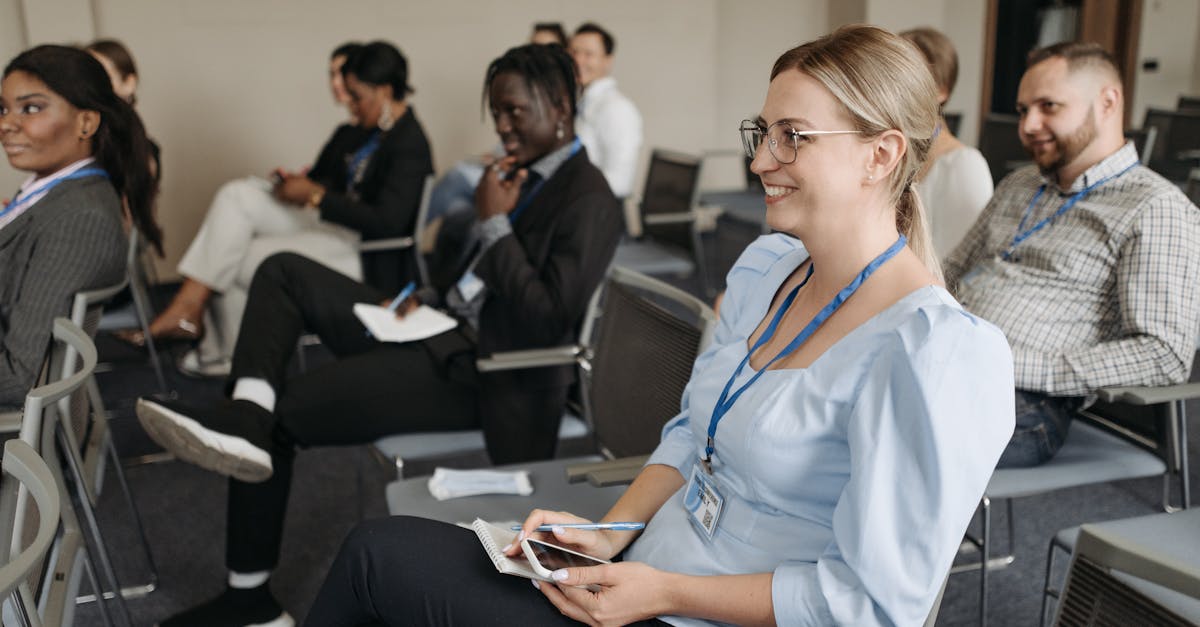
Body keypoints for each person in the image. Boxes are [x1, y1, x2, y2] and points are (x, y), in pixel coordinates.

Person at [300, 25, 1015, 627]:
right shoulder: (772, 268)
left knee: (373, 559)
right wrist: (607, 531)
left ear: (881, 155)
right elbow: (692, 432)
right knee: (380, 557)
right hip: (646, 578)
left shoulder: (935, 352)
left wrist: (665, 591)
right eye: (762, 132)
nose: (761, 159)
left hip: (685, 609)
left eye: (793, 137)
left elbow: (870, 604)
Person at [134, 43, 623, 626]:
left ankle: (250, 600)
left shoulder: (590, 198)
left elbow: (547, 314)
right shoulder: (520, 175)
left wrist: (493, 222)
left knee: (285, 417)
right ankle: (245, 409)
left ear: (562, 107)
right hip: (440, 327)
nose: (503, 126)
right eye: (497, 113)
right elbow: (478, 278)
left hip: (487, 373)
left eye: (515, 112)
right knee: (282, 271)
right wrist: (433, 296)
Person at [944, 41, 1200, 468]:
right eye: (1024, 109)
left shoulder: (1153, 208)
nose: (1028, 125)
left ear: (1107, 102)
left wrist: (1025, 368)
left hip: (1025, 399)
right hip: (947, 359)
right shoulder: (1021, 183)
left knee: (871, 428)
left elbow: (1165, 354)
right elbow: (951, 268)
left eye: (1048, 106)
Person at [122, 41, 433, 379]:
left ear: (385, 91)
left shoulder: (409, 144)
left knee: (239, 253)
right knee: (236, 195)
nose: (351, 105)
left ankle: (216, 345)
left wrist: (316, 197)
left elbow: (388, 222)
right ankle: (192, 313)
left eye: (358, 96)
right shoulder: (354, 133)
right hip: (330, 225)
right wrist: (296, 185)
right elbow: (322, 178)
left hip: (367, 251)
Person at [0, 44, 161, 407]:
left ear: (86, 123)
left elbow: (18, 375)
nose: (6, 123)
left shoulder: (78, 218)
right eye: (4, 108)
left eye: (31, 108)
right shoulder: (57, 191)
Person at [900, 27, 993, 255]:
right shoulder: (887, 152)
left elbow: (958, 266)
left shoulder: (964, 165)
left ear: (941, 91)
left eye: (906, 76)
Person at [569, 22, 642, 199]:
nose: (578, 61)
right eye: (574, 52)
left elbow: (621, 182)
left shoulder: (617, 109)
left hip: (601, 215)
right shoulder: (583, 103)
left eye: (588, 54)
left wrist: (564, 189)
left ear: (608, 60)